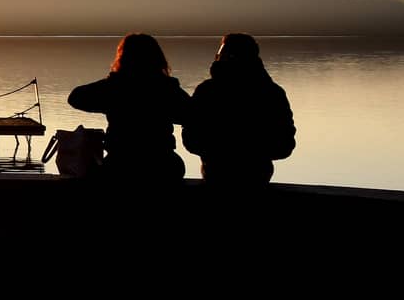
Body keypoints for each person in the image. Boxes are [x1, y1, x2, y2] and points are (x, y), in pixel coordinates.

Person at [68, 32, 192, 184]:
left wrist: (111, 81)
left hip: (121, 164)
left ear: (123, 58)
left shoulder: (114, 87)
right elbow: (191, 114)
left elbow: (75, 97)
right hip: (163, 164)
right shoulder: (167, 89)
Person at [182, 33, 295, 185]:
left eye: (223, 56)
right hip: (256, 175)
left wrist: (218, 152)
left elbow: (191, 136)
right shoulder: (272, 92)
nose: (218, 59)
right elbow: (284, 144)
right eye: (219, 56)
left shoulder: (207, 91)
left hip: (220, 174)